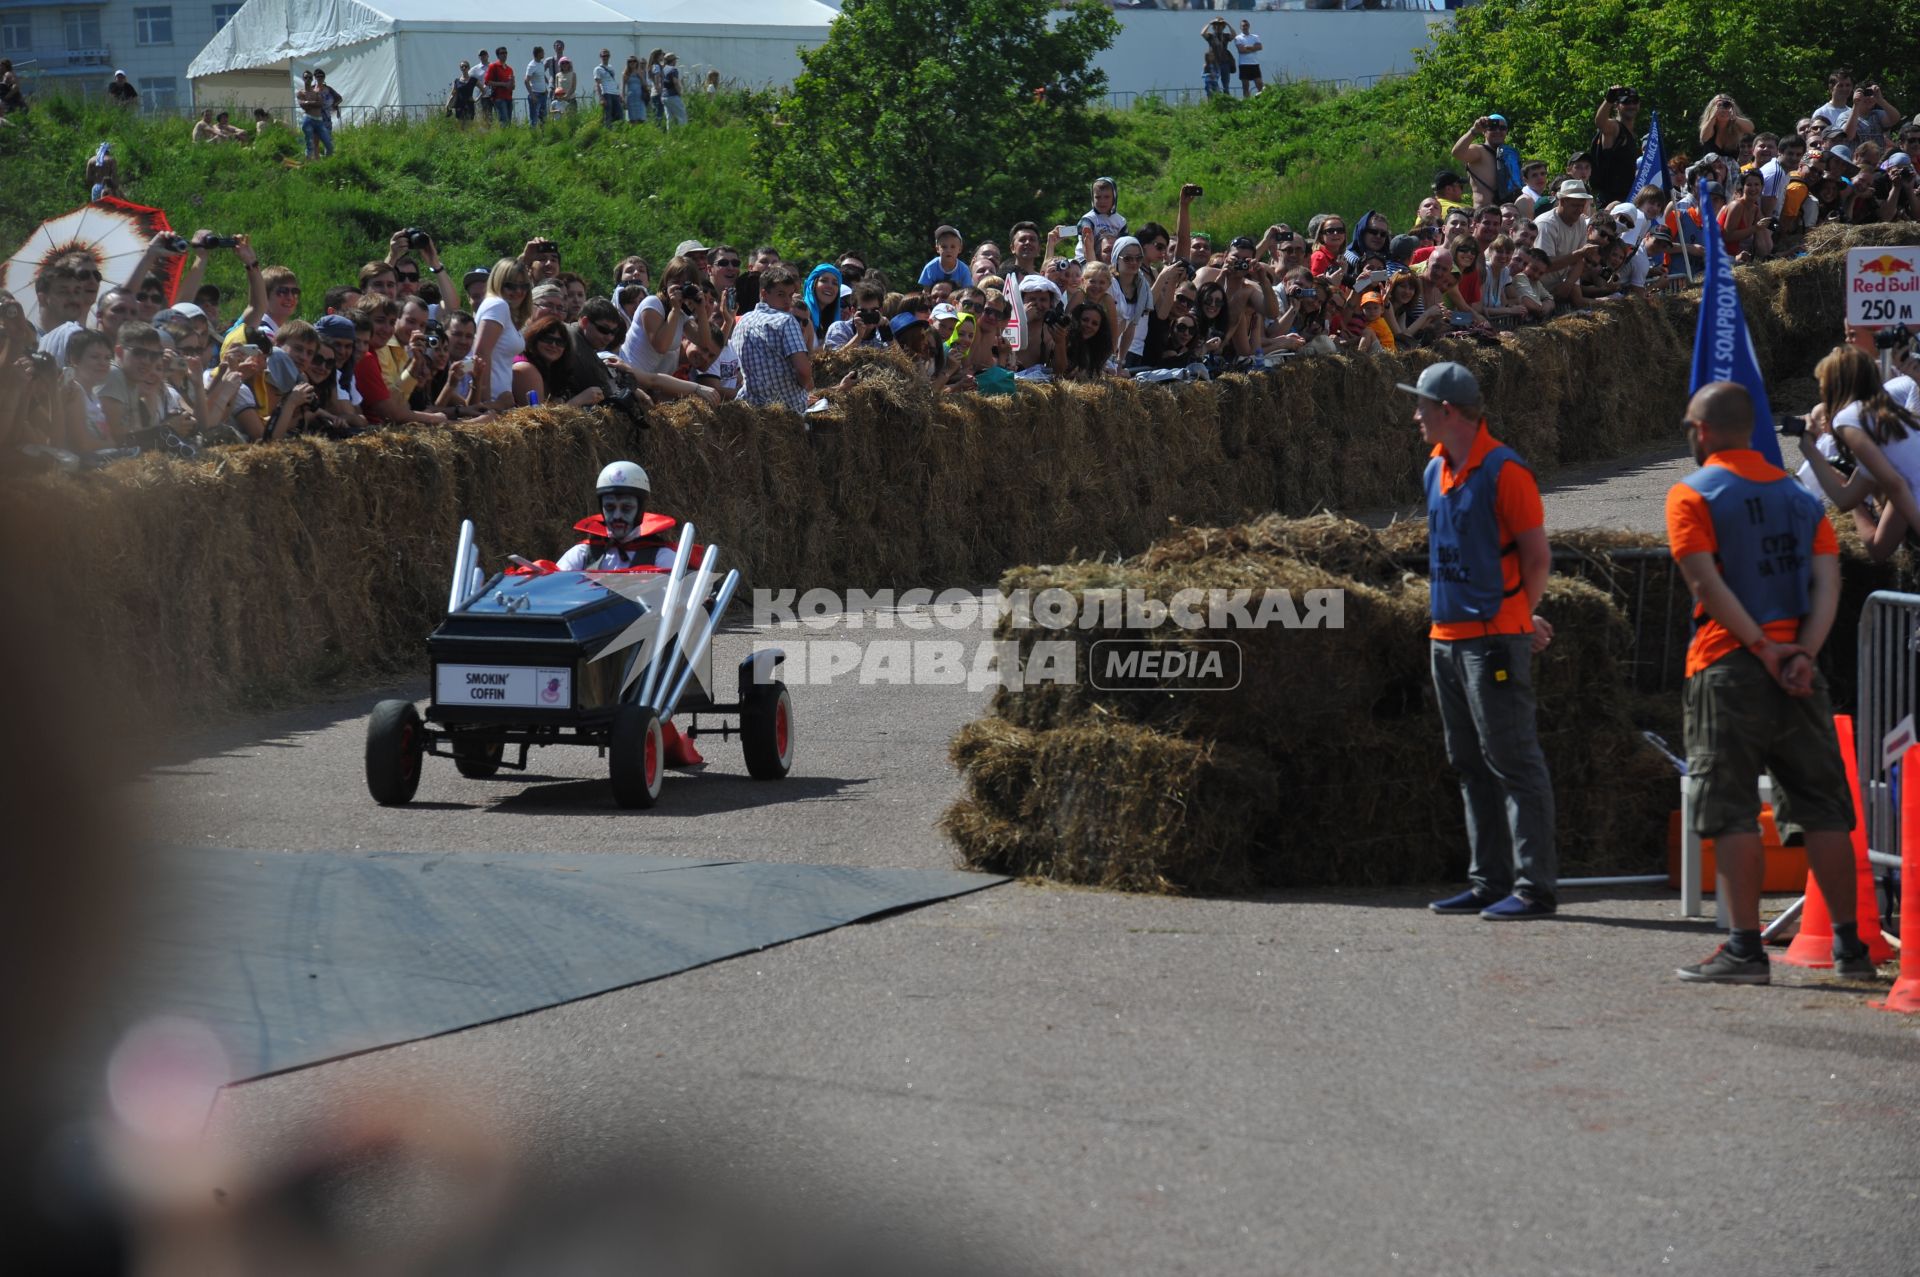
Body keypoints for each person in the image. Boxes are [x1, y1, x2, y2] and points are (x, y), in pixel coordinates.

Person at [1668, 381, 1877, 983]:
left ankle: (1743, 949)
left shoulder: (1691, 495)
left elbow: (1706, 585)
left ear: (1703, 432)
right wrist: (1801, 654)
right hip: (1799, 673)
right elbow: (1827, 583)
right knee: (1823, 811)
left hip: (1727, 664)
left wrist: (1761, 648)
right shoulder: (1798, 498)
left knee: (1730, 809)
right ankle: (1850, 948)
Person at [1403, 362, 1559, 921]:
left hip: (1490, 643)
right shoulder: (1435, 470)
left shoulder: (1505, 470)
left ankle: (1534, 888)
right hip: (1446, 639)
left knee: (1513, 762)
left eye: (1421, 404)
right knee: (1470, 763)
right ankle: (1489, 882)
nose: (1415, 414)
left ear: (1448, 411)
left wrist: (1520, 616)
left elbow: (1537, 557)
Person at [733, 264, 812, 412]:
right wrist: (802, 386)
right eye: (781, 294)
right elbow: (804, 371)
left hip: (750, 411)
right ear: (764, 293)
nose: (788, 301)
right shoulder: (786, 321)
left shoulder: (742, 321)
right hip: (786, 411)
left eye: (790, 295)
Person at [1452, 113, 1527, 208]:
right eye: (1492, 128)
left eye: (1502, 128)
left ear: (1506, 131)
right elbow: (1457, 153)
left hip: (1509, 213)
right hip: (1485, 215)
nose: (1497, 131)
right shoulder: (1479, 151)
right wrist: (1474, 131)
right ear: (1484, 131)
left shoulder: (1510, 154)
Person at [1591, 85, 1642, 205]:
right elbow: (1600, 122)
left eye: (1634, 102)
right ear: (1617, 106)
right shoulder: (1614, 128)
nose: (1631, 106)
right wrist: (1608, 100)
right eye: (1626, 102)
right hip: (1610, 202)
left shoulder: (1633, 134)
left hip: (1628, 199)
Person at [297, 70, 332, 157]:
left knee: (329, 144)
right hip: (308, 119)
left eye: (309, 77)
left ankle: (328, 163)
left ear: (312, 79)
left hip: (319, 121)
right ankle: (309, 164)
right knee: (310, 145)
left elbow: (320, 104)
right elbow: (302, 105)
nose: (308, 79)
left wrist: (308, 102)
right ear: (303, 79)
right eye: (306, 77)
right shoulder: (300, 92)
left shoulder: (316, 92)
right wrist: (313, 103)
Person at [484, 47, 515, 125]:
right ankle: (504, 136)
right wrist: (503, 84)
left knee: (508, 121)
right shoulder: (493, 66)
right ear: (497, 55)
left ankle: (508, 137)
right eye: (502, 53)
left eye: (505, 53)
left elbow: (512, 85)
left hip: (509, 97)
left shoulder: (509, 69)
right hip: (499, 98)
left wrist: (512, 84)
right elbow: (487, 82)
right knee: (504, 120)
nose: (504, 55)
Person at [1232, 19, 1263, 98]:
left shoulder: (1255, 37)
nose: (1245, 27)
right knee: (1245, 86)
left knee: (1259, 84)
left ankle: (1262, 100)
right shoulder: (1238, 38)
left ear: (1249, 26)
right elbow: (1241, 50)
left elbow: (1260, 47)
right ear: (1240, 27)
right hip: (1244, 64)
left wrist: (1248, 47)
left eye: (1246, 25)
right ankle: (1247, 103)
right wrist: (1253, 48)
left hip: (1254, 64)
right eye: (1243, 26)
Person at [524, 47, 550, 126]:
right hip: (536, 95)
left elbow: (542, 75)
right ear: (538, 54)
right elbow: (526, 80)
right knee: (534, 118)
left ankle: (543, 134)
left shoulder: (541, 63)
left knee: (543, 117)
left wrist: (546, 86)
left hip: (543, 94)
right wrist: (532, 95)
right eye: (542, 52)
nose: (544, 54)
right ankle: (534, 135)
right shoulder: (532, 65)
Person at [594, 50, 620, 125]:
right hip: (606, 93)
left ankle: (615, 131)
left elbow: (613, 80)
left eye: (607, 56)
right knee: (607, 115)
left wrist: (618, 93)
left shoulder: (611, 67)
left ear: (609, 56)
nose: (605, 57)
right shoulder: (598, 69)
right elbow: (597, 84)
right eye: (603, 56)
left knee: (619, 115)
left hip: (615, 93)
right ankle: (607, 132)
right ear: (600, 57)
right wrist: (601, 98)